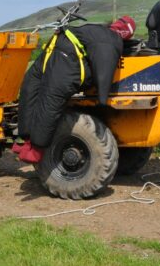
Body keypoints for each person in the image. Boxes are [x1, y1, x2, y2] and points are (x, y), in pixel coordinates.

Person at [14, 16, 136, 163]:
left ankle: (31, 145)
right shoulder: (111, 39)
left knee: (33, 90)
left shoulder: (98, 30)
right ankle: (30, 143)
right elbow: (105, 67)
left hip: (57, 50)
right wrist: (102, 98)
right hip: (61, 55)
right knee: (45, 96)